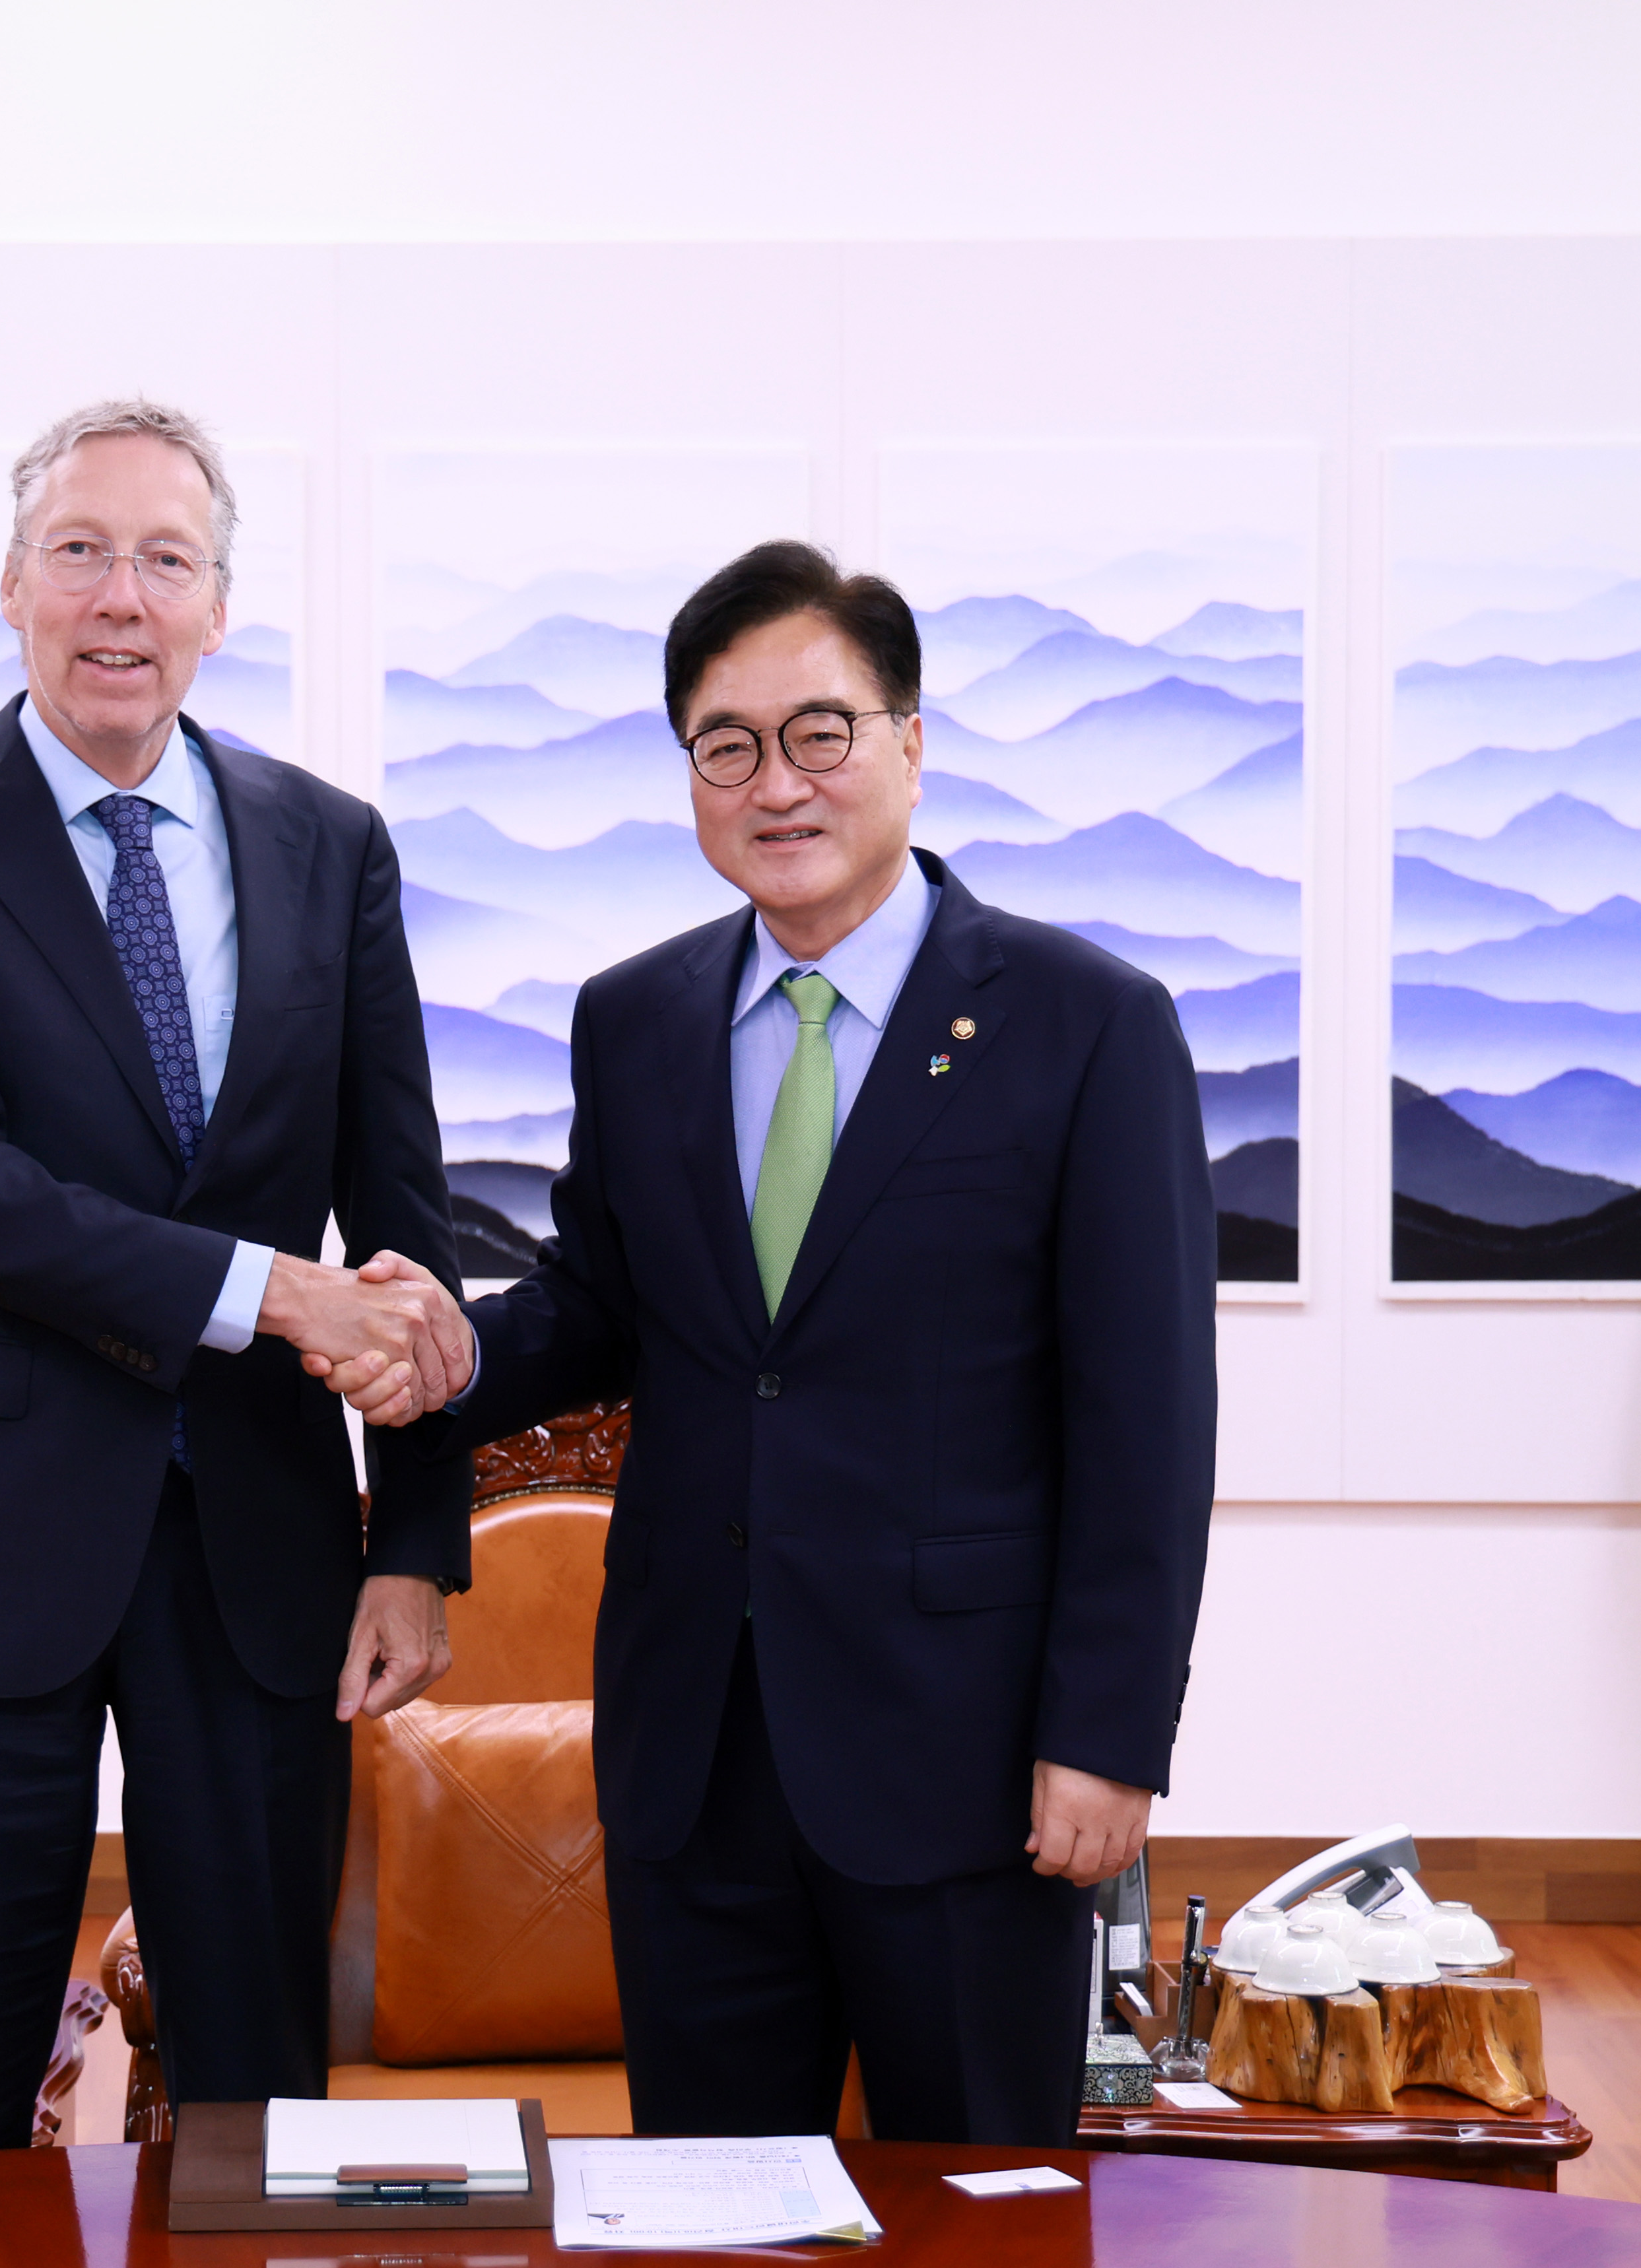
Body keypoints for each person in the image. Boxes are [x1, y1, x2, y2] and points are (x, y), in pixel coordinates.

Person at [342, 540, 1216, 2143]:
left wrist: (1106, 1737)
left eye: (822, 730)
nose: (777, 780)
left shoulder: (1087, 1023)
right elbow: (606, 1308)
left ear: (910, 742)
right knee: (711, 2205)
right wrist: (432, 1351)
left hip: (963, 1755)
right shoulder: (640, 1016)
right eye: (726, 744)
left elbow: (1147, 1419)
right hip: (696, 1751)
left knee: (984, 2211)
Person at [0, 399, 475, 2158]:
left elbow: (401, 1225)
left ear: (219, 605)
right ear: (12, 584)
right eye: (81, 552)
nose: (120, 596)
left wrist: (409, 1543)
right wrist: (276, 1290)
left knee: (262, 2095)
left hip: (256, 1551)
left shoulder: (330, 847)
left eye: (164, 559)